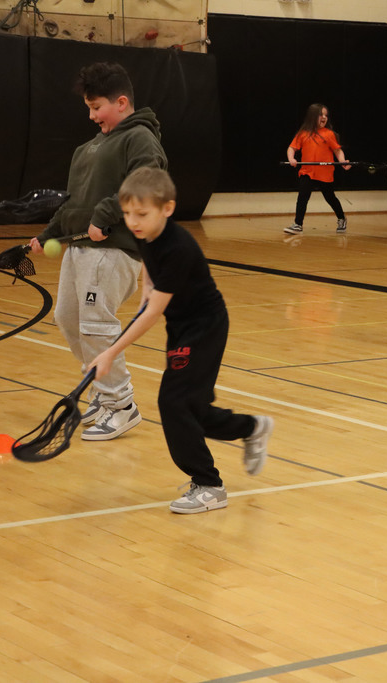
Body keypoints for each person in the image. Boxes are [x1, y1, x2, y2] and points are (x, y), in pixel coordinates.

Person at [87, 168, 275, 514]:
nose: (133, 222)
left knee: (173, 403)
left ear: (168, 208)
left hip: (204, 327)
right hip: (181, 326)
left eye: (141, 214)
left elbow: (154, 310)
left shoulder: (179, 247)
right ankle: (252, 427)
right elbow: (149, 281)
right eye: (127, 214)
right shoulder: (145, 234)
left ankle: (209, 484)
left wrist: (111, 352)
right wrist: (144, 294)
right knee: (193, 411)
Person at [29, 62, 166, 441]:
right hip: (79, 248)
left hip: (113, 247)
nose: (92, 116)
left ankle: (122, 404)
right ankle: (103, 393)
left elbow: (145, 183)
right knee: (68, 319)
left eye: (97, 107)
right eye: (88, 108)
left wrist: (105, 216)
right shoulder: (88, 147)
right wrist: (49, 232)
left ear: (122, 102)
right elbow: (75, 201)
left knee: (95, 323)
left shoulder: (140, 139)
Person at [284, 103, 349, 235]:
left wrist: (342, 162)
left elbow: (337, 151)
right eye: (321, 115)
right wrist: (291, 158)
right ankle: (298, 224)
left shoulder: (329, 134)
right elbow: (291, 148)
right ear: (313, 117)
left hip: (324, 173)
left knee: (330, 198)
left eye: (326, 115)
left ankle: (341, 218)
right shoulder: (303, 133)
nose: (324, 117)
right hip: (307, 172)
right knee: (302, 196)